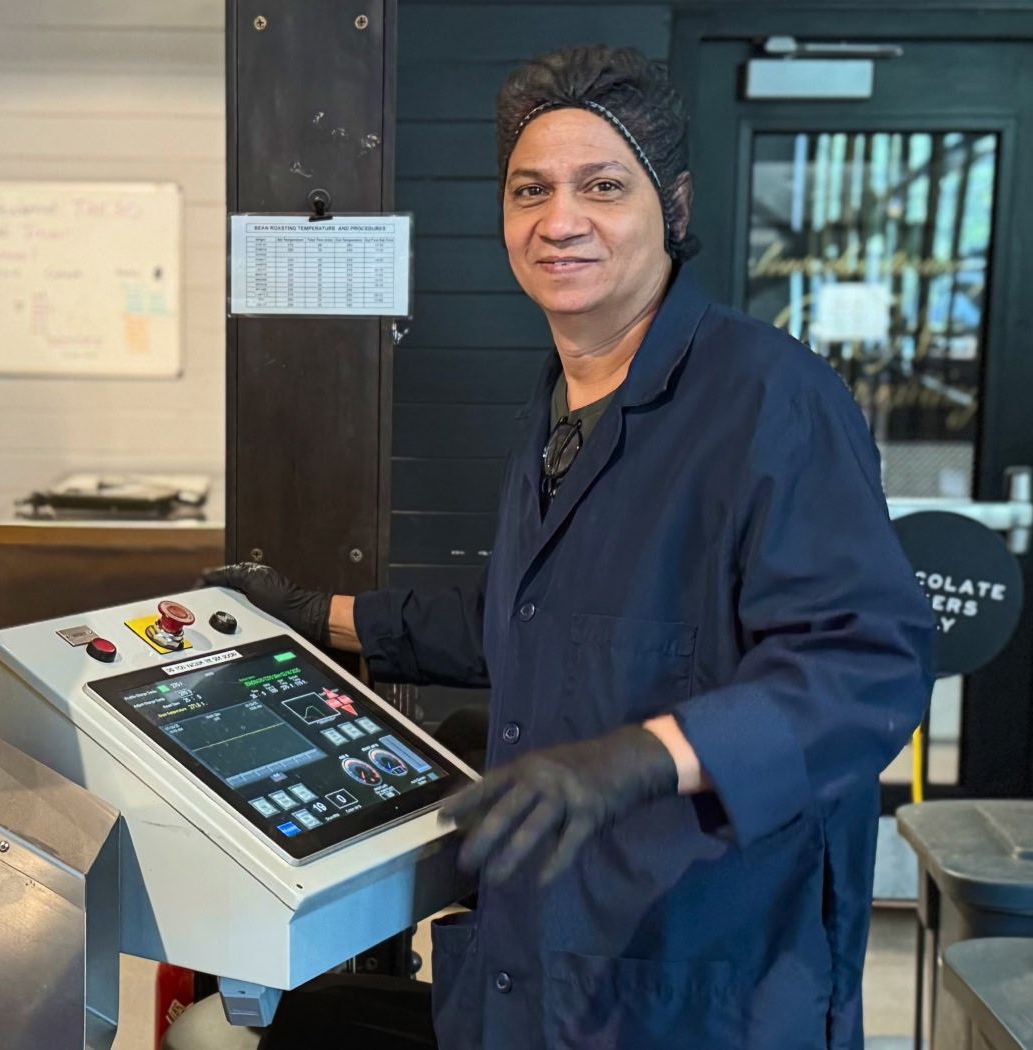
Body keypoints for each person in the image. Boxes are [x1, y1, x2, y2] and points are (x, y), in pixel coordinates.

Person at [205, 45, 934, 1050]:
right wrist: (316, 615)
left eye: (603, 185)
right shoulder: (560, 402)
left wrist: (639, 759)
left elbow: (868, 663)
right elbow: (539, 616)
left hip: (701, 969)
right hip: (546, 958)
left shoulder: (771, 398)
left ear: (672, 208)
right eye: (530, 189)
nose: (560, 220)